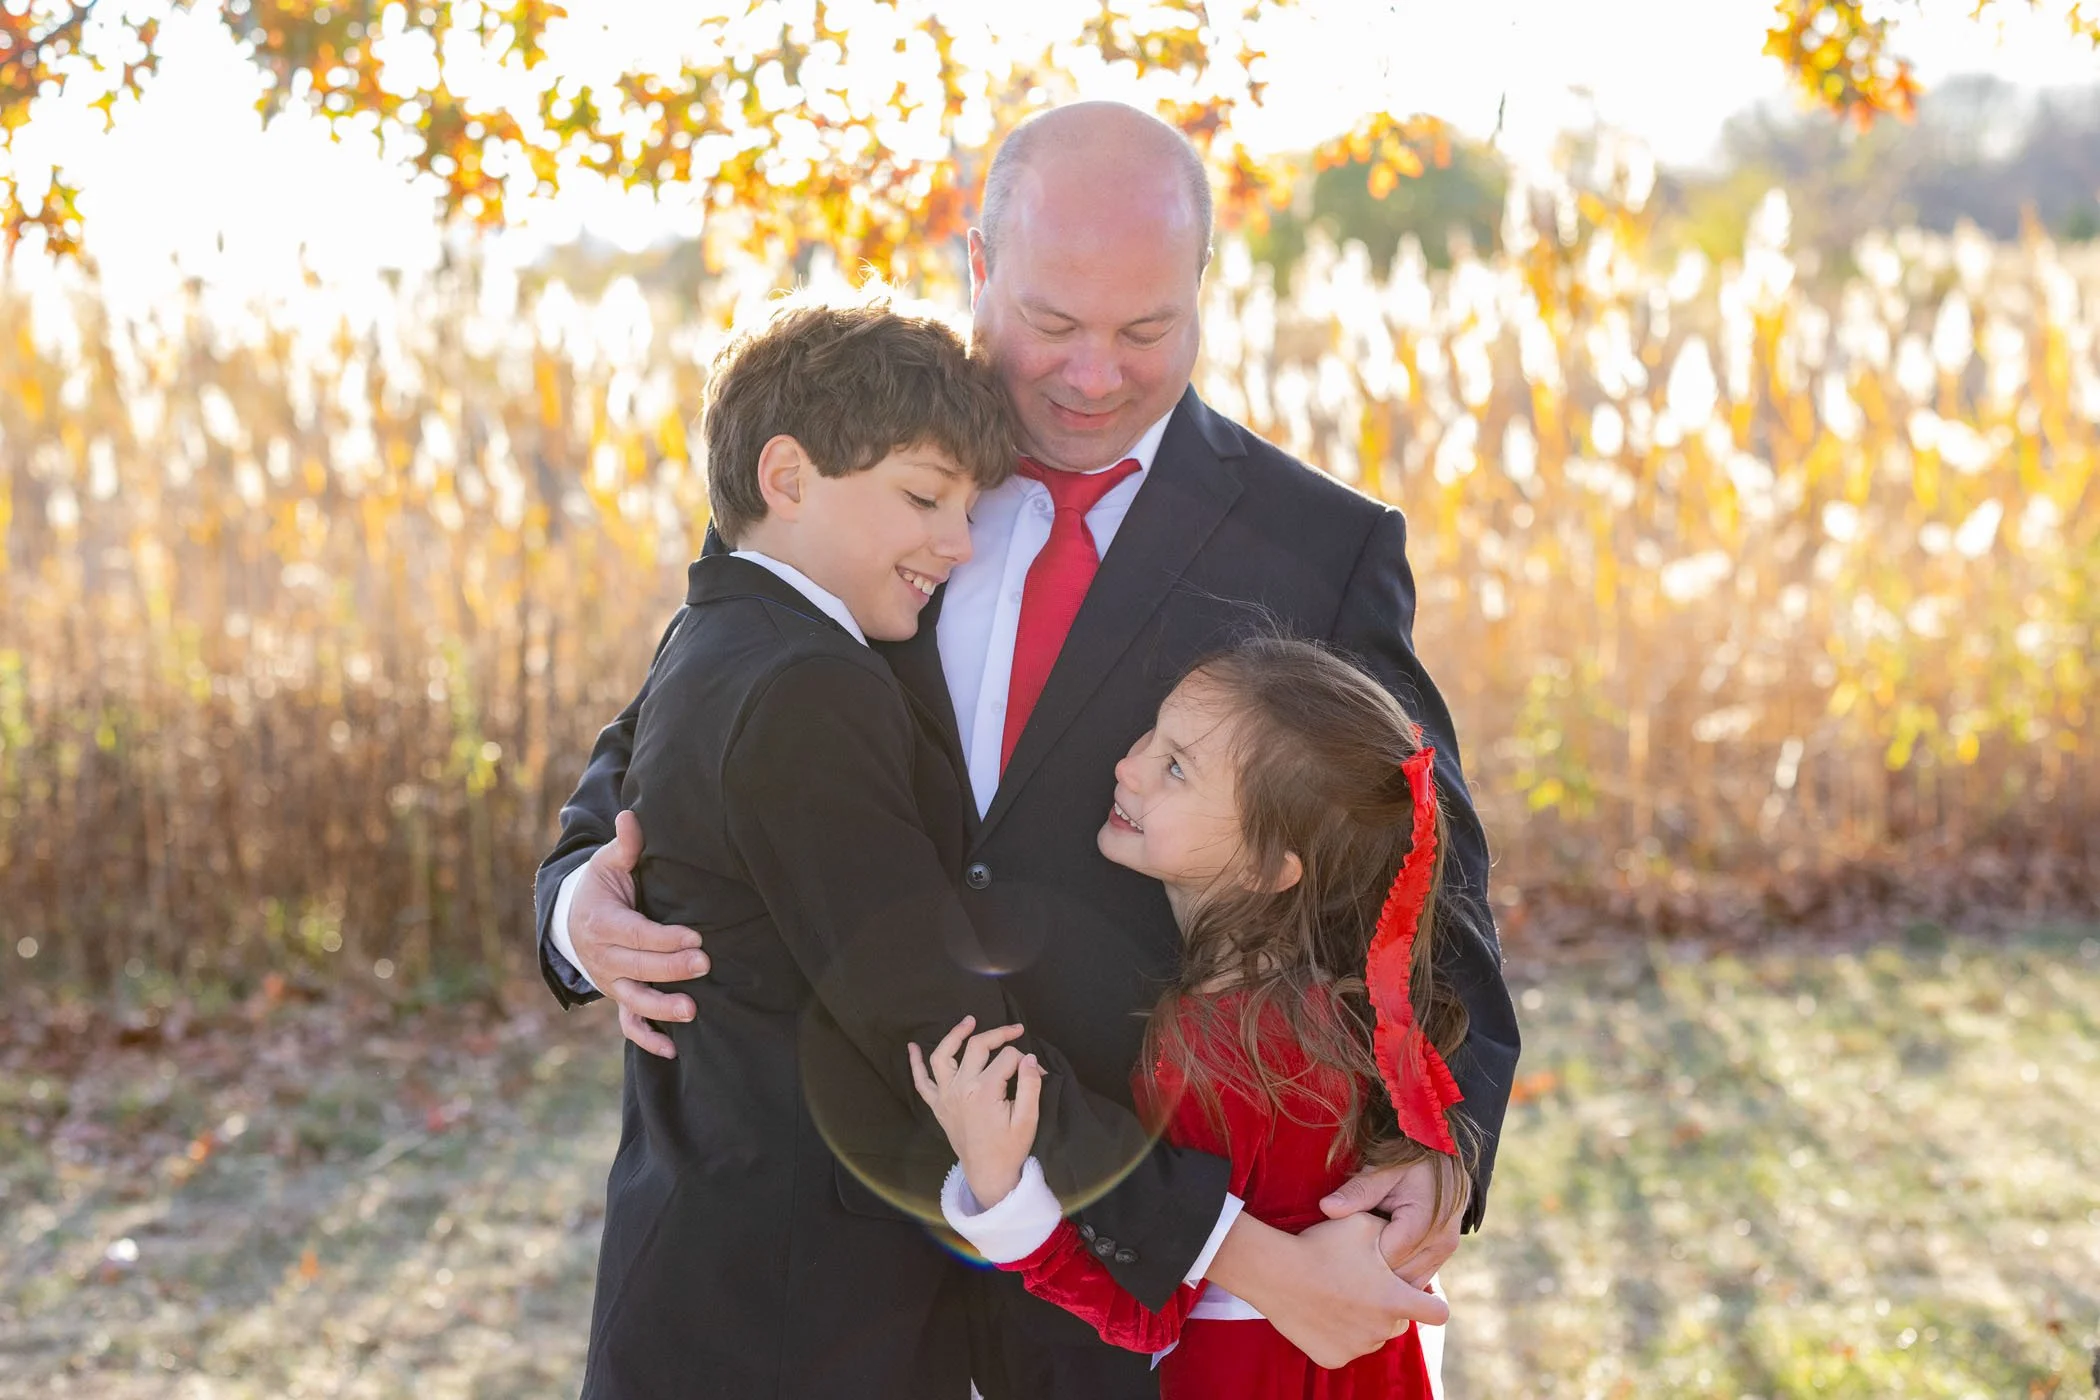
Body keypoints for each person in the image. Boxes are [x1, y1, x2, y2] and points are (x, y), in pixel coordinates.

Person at [537, 101, 1519, 1397]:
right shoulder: (870, 458)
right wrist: (575, 898)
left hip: (1127, 1269)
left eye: (1145, 330)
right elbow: (685, 706)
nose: (1093, 375)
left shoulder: (1317, 546)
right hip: (805, 1262)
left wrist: (1445, 1133)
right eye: (1053, 324)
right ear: (980, 267)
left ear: (1203, 290)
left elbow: (1421, 857)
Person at [913, 637, 1476, 1399]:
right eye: (1152, 733)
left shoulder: (1221, 1048)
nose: (1128, 766)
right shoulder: (1346, 1007)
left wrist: (998, 1187)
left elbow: (1143, 1316)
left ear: (1267, 865)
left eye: (1176, 767)